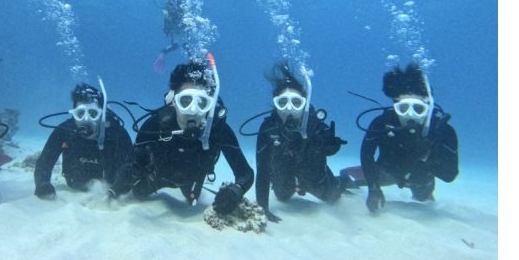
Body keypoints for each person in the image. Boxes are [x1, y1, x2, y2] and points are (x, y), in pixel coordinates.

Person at [110, 56, 254, 215]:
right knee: (137, 193)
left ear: (210, 106)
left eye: (202, 103)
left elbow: (246, 174)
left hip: (192, 182)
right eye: (185, 101)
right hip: (157, 177)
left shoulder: (218, 130)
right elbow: (128, 165)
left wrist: (235, 191)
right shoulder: (154, 126)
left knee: (193, 201)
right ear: (173, 101)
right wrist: (128, 176)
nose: (193, 110)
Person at [352, 62, 459, 213]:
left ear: (428, 106)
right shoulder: (382, 123)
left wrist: (429, 158)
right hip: (386, 171)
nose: (410, 115)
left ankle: (423, 189)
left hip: (420, 178)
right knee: (345, 180)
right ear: (395, 104)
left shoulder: (442, 131)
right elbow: (366, 154)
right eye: (403, 108)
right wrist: (373, 188)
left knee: (423, 196)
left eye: (418, 108)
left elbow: (450, 175)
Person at [250, 63, 346, 223]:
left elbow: (327, 147)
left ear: (304, 104)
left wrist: (330, 145)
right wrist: (263, 208)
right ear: (275, 104)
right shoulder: (268, 128)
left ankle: (343, 180)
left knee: (333, 196)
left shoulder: (314, 124)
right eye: (282, 102)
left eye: (296, 102)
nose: (289, 109)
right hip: (283, 179)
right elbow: (263, 171)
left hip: (315, 177)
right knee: (281, 197)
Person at [34, 82, 133, 198]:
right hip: (74, 185)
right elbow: (45, 161)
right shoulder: (65, 131)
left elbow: (131, 166)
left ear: (102, 114)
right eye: (80, 113)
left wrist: (117, 189)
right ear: (74, 114)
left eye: (93, 113)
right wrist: (42, 184)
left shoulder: (116, 133)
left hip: (111, 190)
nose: (86, 119)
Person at [152, 0, 183, 74]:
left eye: (173, 0)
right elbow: (167, 20)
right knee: (176, 45)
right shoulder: (166, 8)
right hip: (175, 27)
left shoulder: (182, 3)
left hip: (182, 26)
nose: (172, 2)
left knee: (186, 45)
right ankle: (163, 53)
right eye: (170, 0)